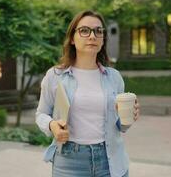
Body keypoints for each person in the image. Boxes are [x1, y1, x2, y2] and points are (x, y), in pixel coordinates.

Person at [36, 10, 140, 177]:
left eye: (98, 31)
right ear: (72, 38)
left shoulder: (114, 77)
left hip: (110, 161)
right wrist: (52, 125)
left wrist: (129, 118)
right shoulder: (55, 76)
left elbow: (120, 126)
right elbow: (41, 114)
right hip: (69, 162)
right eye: (85, 30)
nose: (92, 36)